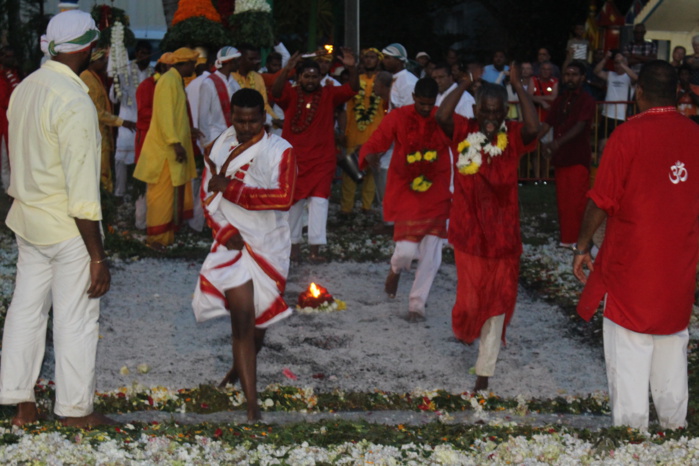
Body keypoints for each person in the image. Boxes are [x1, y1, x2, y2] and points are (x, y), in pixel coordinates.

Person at [0, 10, 112, 427]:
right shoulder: (73, 100)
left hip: (28, 220)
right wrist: (97, 256)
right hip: (68, 229)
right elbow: (83, 192)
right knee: (76, 318)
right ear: (85, 48)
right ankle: (74, 410)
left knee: (26, 310)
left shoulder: (26, 87)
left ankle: (20, 401)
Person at [573, 60, 699, 431]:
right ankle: (675, 430)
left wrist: (582, 246)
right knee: (671, 347)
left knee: (629, 350)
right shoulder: (695, 134)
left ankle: (632, 435)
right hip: (678, 265)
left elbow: (601, 200)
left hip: (633, 264)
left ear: (638, 92)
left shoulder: (627, 135)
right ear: (677, 92)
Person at [192, 88, 296, 421]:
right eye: (239, 119)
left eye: (253, 120)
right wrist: (225, 231)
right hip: (232, 243)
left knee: (259, 326)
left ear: (263, 118)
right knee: (242, 323)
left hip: (270, 244)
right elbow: (208, 197)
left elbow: (283, 197)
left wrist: (231, 188)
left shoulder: (281, 150)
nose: (246, 126)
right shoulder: (219, 145)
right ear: (231, 116)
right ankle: (253, 407)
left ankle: (238, 371)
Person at [436, 65, 539, 391]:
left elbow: (535, 127)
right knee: (469, 303)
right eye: (486, 111)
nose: (491, 118)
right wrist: (462, 82)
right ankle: (468, 329)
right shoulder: (464, 129)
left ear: (505, 111)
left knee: (498, 300)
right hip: (469, 235)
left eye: (497, 112)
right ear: (476, 108)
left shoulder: (513, 137)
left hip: (504, 236)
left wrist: (517, 86)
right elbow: (441, 116)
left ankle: (484, 372)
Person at [360, 78, 452, 322]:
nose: (425, 108)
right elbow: (379, 138)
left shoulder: (443, 118)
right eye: (421, 103)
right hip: (407, 190)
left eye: (429, 104)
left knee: (432, 251)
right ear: (413, 97)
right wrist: (369, 154)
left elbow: (468, 134)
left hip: (437, 190)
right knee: (406, 250)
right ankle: (395, 268)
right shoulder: (399, 116)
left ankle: (417, 304)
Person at [272, 50, 358, 262]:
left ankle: (315, 249)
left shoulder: (329, 93)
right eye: (306, 76)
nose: (311, 80)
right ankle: (293, 246)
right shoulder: (291, 94)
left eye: (314, 76)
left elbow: (353, 88)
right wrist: (287, 68)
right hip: (295, 158)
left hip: (322, 159)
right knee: (294, 203)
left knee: (320, 203)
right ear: (299, 77)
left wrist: (352, 68)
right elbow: (275, 92)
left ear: (321, 78)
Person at [133, 47, 200, 248]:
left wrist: (188, 133)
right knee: (160, 197)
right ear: (183, 64)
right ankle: (156, 240)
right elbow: (164, 115)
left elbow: (177, 115)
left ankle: (166, 238)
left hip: (172, 149)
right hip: (164, 151)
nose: (194, 68)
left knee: (169, 195)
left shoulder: (175, 80)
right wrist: (175, 143)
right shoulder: (168, 81)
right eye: (192, 64)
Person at [538, 61, 596, 247]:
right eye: (567, 75)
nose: (569, 78)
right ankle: (567, 239)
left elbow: (580, 126)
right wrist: (530, 142)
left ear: (582, 77)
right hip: (562, 157)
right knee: (564, 202)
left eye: (574, 75)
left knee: (577, 202)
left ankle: (580, 240)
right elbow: (547, 123)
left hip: (578, 156)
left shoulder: (587, 100)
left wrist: (556, 143)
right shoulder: (560, 99)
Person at [339, 48, 386, 216]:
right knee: (350, 170)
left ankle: (367, 207)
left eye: (373, 57)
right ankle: (346, 208)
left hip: (376, 133)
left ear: (378, 60)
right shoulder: (355, 81)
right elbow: (345, 109)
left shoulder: (384, 82)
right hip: (354, 132)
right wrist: (343, 132)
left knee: (372, 173)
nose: (369, 60)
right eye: (366, 57)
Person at [81, 48, 136, 193]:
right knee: (101, 172)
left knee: (104, 170)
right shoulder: (87, 78)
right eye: (102, 60)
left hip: (101, 133)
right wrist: (122, 122)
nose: (105, 63)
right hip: (95, 134)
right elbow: (96, 111)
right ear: (93, 62)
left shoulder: (93, 76)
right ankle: (103, 206)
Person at [109, 40, 153, 199]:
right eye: (141, 53)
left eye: (147, 54)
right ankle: (120, 193)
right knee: (121, 159)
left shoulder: (153, 74)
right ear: (137, 54)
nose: (144, 57)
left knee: (142, 160)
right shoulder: (124, 71)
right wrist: (116, 81)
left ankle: (138, 192)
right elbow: (114, 99)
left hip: (146, 124)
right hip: (127, 121)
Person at [198, 46, 242, 147]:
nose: (240, 64)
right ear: (231, 62)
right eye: (237, 61)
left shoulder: (234, 84)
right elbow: (203, 116)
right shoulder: (208, 83)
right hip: (214, 137)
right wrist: (205, 142)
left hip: (232, 136)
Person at [594, 51, 638, 150]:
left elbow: (637, 78)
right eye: (615, 63)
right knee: (603, 146)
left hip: (622, 117)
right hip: (607, 115)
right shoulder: (610, 75)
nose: (617, 65)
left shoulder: (629, 77)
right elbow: (596, 71)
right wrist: (605, 58)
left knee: (620, 146)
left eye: (620, 62)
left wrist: (622, 63)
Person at [0, 46, 20, 191]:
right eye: (7, 56)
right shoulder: (1, 77)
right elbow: (4, 100)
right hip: (3, 123)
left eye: (12, 56)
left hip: (16, 122)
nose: (10, 59)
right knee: (5, 158)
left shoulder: (16, 74)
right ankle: (8, 188)